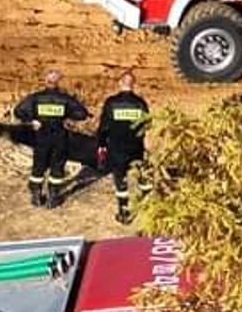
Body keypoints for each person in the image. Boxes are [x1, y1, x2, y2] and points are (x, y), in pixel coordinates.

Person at [12, 69, 89, 208]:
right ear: (58, 82)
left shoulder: (36, 98)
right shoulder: (65, 99)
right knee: (57, 166)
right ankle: (53, 197)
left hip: (41, 137)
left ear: (45, 81)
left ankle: (36, 195)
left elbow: (18, 111)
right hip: (59, 136)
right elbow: (82, 113)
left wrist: (32, 120)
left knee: (38, 166)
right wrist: (68, 118)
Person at [96, 70, 151, 224]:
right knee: (142, 177)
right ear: (133, 84)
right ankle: (148, 206)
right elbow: (147, 124)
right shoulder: (140, 103)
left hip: (117, 148)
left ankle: (124, 211)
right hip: (136, 147)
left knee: (121, 180)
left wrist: (101, 144)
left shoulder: (111, 103)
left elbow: (103, 127)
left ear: (120, 83)